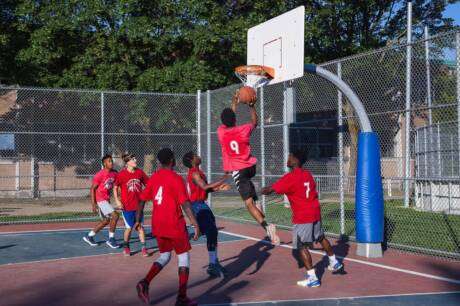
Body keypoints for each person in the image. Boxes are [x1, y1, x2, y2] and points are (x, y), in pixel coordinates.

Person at [261, 149, 344, 288]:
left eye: (290, 156)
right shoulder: (308, 174)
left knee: (301, 246)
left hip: (303, 215)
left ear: (296, 161)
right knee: (321, 237)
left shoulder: (291, 177)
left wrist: (261, 190)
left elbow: (271, 190)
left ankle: (312, 278)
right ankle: (334, 262)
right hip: (315, 211)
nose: (288, 158)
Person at [136, 148, 200, 306]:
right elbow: (185, 203)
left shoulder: (154, 178)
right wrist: (195, 223)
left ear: (159, 161)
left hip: (158, 224)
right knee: (183, 257)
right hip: (174, 224)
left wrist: (138, 219)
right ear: (172, 160)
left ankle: (144, 283)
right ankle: (182, 298)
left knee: (165, 256)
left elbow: (142, 199)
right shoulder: (176, 179)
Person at [217, 92, 280, 245]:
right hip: (251, 166)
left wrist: (234, 103)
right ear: (235, 119)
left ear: (223, 122)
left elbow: (229, 119)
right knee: (249, 188)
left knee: (248, 204)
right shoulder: (243, 130)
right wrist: (252, 106)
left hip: (239, 170)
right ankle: (257, 201)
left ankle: (267, 228)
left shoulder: (221, 132)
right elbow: (255, 121)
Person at [182, 151, 230, 277]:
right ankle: (212, 264)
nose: (199, 156)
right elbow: (204, 187)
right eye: (196, 156)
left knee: (212, 232)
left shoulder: (199, 172)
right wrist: (223, 178)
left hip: (201, 204)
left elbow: (207, 188)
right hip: (197, 206)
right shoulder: (194, 173)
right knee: (211, 231)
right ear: (192, 160)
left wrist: (219, 188)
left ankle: (213, 263)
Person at [114, 153, 150, 257]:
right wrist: (117, 200)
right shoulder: (121, 174)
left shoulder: (140, 172)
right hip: (127, 206)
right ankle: (126, 247)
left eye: (135, 158)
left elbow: (148, 184)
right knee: (129, 228)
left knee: (140, 227)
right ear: (127, 162)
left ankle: (144, 248)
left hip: (138, 206)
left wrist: (147, 194)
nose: (135, 161)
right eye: (133, 159)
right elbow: (115, 187)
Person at [83, 154, 119, 249]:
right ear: (104, 163)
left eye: (112, 161)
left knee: (106, 221)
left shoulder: (114, 173)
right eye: (109, 161)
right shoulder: (100, 174)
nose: (111, 162)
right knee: (115, 216)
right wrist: (93, 204)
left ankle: (89, 236)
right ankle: (111, 239)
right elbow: (92, 189)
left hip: (106, 200)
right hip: (100, 199)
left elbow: (117, 185)